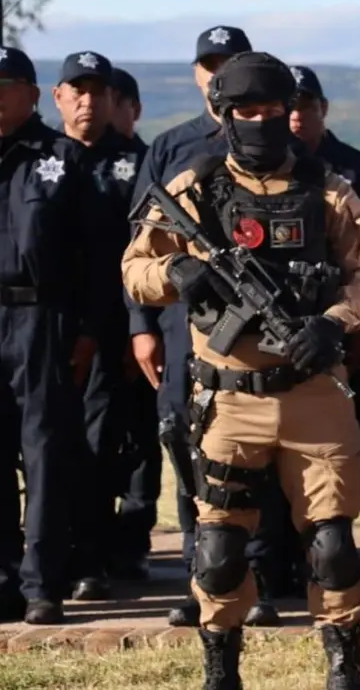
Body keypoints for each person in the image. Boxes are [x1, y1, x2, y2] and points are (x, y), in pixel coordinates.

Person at [121, 50, 360, 688]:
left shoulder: (328, 190)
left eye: (274, 111)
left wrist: (332, 323)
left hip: (313, 393)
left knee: (332, 547)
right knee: (216, 553)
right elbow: (134, 270)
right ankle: (221, 668)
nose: (263, 122)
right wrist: (175, 272)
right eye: (248, 111)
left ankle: (343, 666)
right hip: (227, 400)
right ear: (224, 115)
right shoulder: (192, 190)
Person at [129, 25, 287, 627]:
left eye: (229, 63)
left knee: (259, 455)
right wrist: (142, 325)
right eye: (208, 64)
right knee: (187, 443)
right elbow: (145, 243)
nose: (215, 73)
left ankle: (259, 581)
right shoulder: (175, 148)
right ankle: (203, 583)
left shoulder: (274, 144)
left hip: (262, 331)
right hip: (189, 325)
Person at [0, 45, 112, 624]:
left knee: (43, 452)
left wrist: (89, 330)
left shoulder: (61, 160)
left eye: (5, 84)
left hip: (42, 320)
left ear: (33, 94)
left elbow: (97, 258)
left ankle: (43, 582)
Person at [51, 50, 143, 601]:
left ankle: (96, 553)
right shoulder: (44, 158)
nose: (88, 101)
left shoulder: (138, 163)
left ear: (115, 100)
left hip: (113, 327)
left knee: (100, 442)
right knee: (45, 444)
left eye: (99, 92)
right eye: (76, 90)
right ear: (59, 97)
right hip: (43, 322)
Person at [287, 64, 360, 441]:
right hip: (284, 332)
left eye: (305, 106)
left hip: (352, 329)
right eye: (287, 106)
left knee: (345, 446)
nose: (296, 116)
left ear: (323, 108)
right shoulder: (260, 172)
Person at [107, 64, 162, 580]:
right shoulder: (67, 162)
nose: (99, 108)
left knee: (147, 436)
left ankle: (134, 539)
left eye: (115, 100)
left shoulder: (149, 163)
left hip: (145, 320)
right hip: (86, 321)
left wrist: (141, 324)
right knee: (91, 437)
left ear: (133, 108)